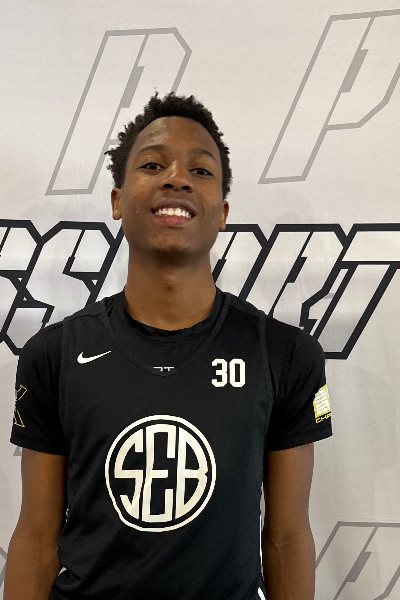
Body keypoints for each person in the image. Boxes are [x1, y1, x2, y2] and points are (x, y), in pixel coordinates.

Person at [5, 92, 332, 600]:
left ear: (222, 212)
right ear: (117, 201)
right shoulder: (55, 354)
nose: (176, 178)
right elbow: (36, 537)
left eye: (200, 171)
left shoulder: (284, 354)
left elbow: (287, 539)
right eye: (153, 165)